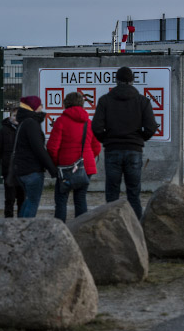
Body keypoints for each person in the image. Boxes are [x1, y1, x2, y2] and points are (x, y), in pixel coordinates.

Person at [91, 66, 159, 219]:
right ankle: (136, 229)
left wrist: (107, 139)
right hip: (134, 150)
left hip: (112, 150)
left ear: (117, 80)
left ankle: (113, 225)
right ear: (132, 80)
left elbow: (96, 127)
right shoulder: (143, 101)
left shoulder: (105, 100)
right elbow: (151, 127)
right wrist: (140, 138)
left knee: (112, 193)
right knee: (134, 193)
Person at [46, 92, 101, 222]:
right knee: (81, 199)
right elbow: (97, 147)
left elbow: (52, 148)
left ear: (66, 103)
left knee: (61, 199)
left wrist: (56, 163)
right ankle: (81, 229)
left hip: (66, 167)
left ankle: (60, 229)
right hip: (86, 167)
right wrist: (87, 159)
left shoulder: (61, 121)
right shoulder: (88, 122)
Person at [13, 96, 57, 218]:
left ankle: (19, 228)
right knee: (32, 202)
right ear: (34, 107)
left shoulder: (24, 122)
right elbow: (39, 149)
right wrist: (52, 169)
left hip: (22, 169)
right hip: (31, 170)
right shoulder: (31, 123)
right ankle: (25, 230)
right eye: (40, 105)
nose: (42, 107)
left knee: (28, 201)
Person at [0, 107, 25, 217]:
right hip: (8, 170)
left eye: (18, 115)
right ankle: (8, 220)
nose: (16, 118)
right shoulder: (4, 130)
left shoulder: (25, 129)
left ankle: (21, 221)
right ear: (10, 116)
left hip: (22, 170)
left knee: (22, 198)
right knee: (9, 198)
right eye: (14, 115)